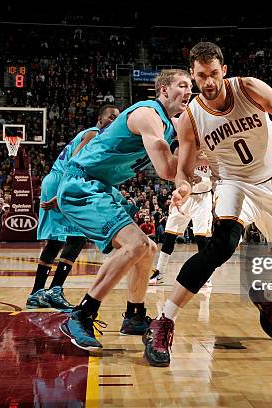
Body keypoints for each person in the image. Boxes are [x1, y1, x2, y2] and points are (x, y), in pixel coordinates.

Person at [144, 42, 272, 367]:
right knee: (220, 246)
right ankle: (163, 321)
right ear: (193, 77)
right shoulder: (191, 117)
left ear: (223, 70)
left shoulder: (249, 88)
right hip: (233, 183)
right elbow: (183, 170)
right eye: (200, 76)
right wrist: (181, 187)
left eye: (212, 74)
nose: (208, 82)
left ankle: (267, 298)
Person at [56, 69, 193, 350]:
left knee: (148, 249)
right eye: (183, 85)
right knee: (135, 244)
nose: (189, 91)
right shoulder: (147, 115)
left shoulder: (171, 122)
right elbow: (168, 169)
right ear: (164, 90)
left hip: (101, 185)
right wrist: (192, 158)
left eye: (191, 86)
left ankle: (134, 315)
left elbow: (198, 138)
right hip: (80, 183)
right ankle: (81, 314)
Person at [26, 105, 120, 312]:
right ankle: (54, 290)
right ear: (100, 119)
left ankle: (37, 293)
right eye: (111, 117)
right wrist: (60, 196)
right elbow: (74, 163)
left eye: (118, 118)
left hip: (58, 180)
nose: (115, 121)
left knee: (57, 240)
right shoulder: (94, 134)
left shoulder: (94, 136)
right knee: (77, 237)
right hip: (63, 181)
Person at [150, 162, 212, 285]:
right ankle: (159, 273)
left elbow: (218, 177)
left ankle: (206, 275)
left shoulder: (210, 151)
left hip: (202, 198)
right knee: (169, 235)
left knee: (201, 238)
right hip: (184, 197)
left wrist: (203, 180)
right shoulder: (183, 150)